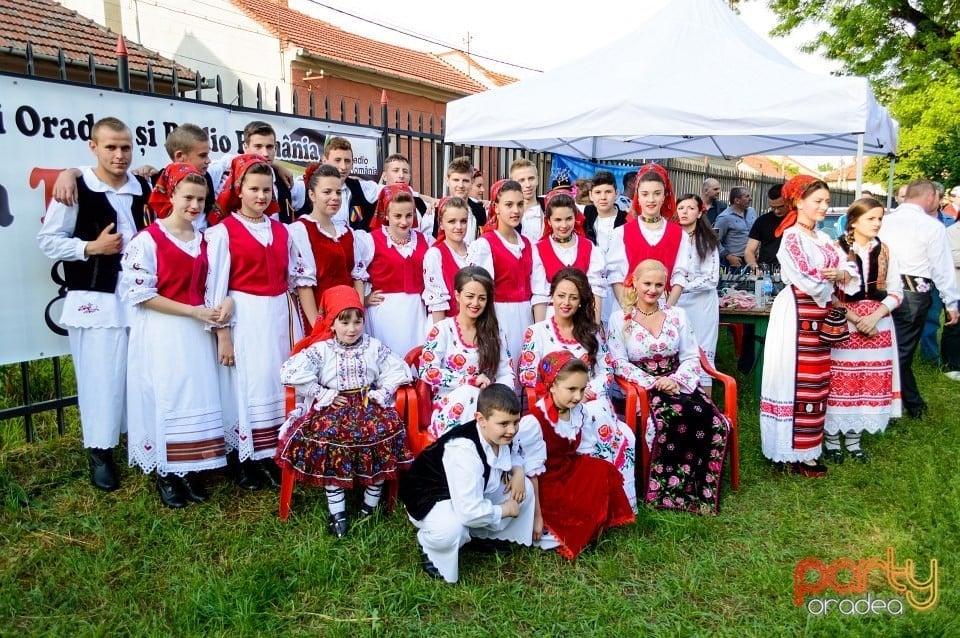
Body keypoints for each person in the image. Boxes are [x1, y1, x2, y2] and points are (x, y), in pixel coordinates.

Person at [37, 117, 151, 492]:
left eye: (125, 147)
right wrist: (90, 247)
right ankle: (100, 452)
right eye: (110, 147)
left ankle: (138, 441)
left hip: (138, 297)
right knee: (100, 376)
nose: (119, 155)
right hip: (95, 297)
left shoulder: (143, 186)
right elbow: (48, 241)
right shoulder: (77, 186)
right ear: (93, 147)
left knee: (137, 373)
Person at [121, 163, 230, 507]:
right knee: (168, 393)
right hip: (164, 329)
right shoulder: (148, 240)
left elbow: (215, 284)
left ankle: (192, 467)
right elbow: (142, 294)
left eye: (200, 199)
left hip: (196, 330)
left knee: (196, 393)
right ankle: (168, 472)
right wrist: (192, 311)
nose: (195, 206)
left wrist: (222, 303)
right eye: (188, 198)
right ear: (171, 196)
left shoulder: (205, 241)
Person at [206, 154, 309, 490]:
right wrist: (223, 336)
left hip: (278, 314)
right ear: (239, 190)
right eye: (253, 189)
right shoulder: (223, 233)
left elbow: (293, 279)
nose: (261, 196)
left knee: (274, 382)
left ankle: (270, 454)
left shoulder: (281, 231)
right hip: (245, 315)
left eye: (266, 190)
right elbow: (217, 287)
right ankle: (243, 457)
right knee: (246, 385)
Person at [277, 286, 413, 537]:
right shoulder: (322, 350)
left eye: (357, 321)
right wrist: (321, 393)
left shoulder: (373, 347)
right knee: (330, 439)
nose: (352, 329)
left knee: (381, 434)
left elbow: (399, 370)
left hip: (366, 405)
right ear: (331, 323)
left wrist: (382, 392)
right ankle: (337, 510)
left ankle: (369, 506)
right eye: (344, 322)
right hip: (334, 408)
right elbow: (290, 372)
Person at [607, 260, 731, 514]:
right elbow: (618, 362)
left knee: (709, 417)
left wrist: (675, 381)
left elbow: (690, 356)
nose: (652, 290)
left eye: (659, 285)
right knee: (665, 420)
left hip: (678, 382)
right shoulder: (620, 318)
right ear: (635, 283)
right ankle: (666, 490)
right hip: (644, 386)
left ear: (666, 287)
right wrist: (654, 382)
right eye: (647, 284)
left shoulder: (677, 315)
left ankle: (697, 487)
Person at [759, 176, 860, 477]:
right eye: (817, 201)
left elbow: (848, 269)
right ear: (799, 201)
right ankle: (789, 451)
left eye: (826, 202)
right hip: (798, 311)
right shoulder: (791, 237)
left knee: (816, 380)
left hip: (820, 311)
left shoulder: (824, 238)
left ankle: (809, 449)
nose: (823, 206)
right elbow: (806, 277)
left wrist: (839, 272)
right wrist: (830, 276)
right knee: (794, 378)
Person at [519, 268, 637, 508]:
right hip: (556, 406)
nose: (566, 302)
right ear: (552, 296)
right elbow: (528, 375)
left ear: (582, 300)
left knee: (620, 430)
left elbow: (606, 370)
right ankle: (595, 498)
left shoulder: (591, 332)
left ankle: (614, 499)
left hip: (593, 400)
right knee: (596, 415)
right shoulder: (537, 332)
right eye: (561, 295)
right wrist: (567, 394)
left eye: (573, 297)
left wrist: (587, 390)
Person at [398, 383, 535, 584]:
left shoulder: (499, 433)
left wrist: (519, 471)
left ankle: (480, 535)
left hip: (466, 492)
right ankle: (430, 545)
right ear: (481, 419)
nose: (512, 430)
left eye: (516, 422)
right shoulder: (464, 450)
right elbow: (469, 511)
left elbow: (512, 453)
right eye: (504, 424)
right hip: (430, 498)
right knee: (451, 529)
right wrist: (504, 510)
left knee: (525, 489)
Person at [517, 352, 635, 559]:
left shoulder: (578, 411)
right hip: (546, 480)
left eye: (581, 389)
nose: (578, 396)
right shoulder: (535, 421)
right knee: (573, 496)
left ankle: (592, 519)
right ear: (552, 386)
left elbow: (585, 450)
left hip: (568, 468)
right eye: (571, 389)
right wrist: (536, 517)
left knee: (602, 470)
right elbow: (531, 471)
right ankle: (558, 526)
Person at [824, 198, 903, 463]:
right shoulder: (835, 250)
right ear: (854, 221)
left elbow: (896, 291)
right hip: (846, 322)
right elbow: (828, 294)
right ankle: (832, 439)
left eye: (880, 218)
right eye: (871, 218)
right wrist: (857, 318)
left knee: (866, 381)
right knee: (840, 381)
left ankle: (855, 439)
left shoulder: (887, 251)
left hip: (878, 325)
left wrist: (877, 315)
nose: (877, 223)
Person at [878, 179, 960, 418]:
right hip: (913, 292)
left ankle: (913, 404)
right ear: (930, 197)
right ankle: (893, 406)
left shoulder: (884, 221)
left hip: (882, 289)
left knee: (892, 348)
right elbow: (942, 268)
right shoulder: (931, 226)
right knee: (901, 352)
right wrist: (951, 303)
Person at [51, 123, 217, 230]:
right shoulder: (151, 183)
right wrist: (70, 173)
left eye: (126, 148)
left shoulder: (208, 177)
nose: (120, 155)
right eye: (203, 155)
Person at [419, 267, 515, 438]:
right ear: (457, 295)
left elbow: (505, 371)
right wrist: (468, 381)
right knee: (469, 393)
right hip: (450, 405)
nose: (475, 303)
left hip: (488, 404)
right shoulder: (442, 330)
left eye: (482, 298)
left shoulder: (495, 331)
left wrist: (500, 397)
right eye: (470, 296)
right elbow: (427, 371)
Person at [468, 179, 535, 376]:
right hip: (499, 317)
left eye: (520, 204)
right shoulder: (485, 245)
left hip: (526, 316)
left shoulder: (527, 244)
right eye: (509, 205)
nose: (516, 210)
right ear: (496, 207)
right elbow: (479, 292)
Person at [355, 183, 429, 359]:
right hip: (385, 312)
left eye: (408, 215)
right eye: (397, 216)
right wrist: (362, 301)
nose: (404, 221)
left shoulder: (424, 239)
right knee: (390, 358)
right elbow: (358, 274)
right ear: (386, 214)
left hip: (416, 311)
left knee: (414, 357)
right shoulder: (371, 240)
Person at [290, 164, 363, 331]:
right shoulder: (301, 230)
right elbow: (304, 286)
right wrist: (318, 326)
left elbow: (357, 277)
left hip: (348, 318)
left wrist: (358, 314)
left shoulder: (347, 231)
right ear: (312, 194)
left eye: (338, 192)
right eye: (327, 192)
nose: (335, 197)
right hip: (319, 313)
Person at [607, 164, 690, 309]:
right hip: (628, 304)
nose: (651, 200)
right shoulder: (621, 233)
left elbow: (680, 277)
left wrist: (666, 311)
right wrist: (628, 310)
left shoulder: (679, 235)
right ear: (637, 196)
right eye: (645, 194)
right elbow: (616, 276)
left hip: (664, 305)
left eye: (657, 193)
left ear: (664, 196)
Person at [208, 120, 303, 224]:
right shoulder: (227, 174)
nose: (265, 153)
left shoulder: (283, 179)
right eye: (258, 146)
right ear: (245, 147)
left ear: (275, 147)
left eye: (269, 147)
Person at [531, 192, 606, 322]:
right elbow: (540, 297)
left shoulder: (588, 247)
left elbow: (596, 291)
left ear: (575, 218)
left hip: (583, 319)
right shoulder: (539, 250)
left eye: (568, 219)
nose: (564, 225)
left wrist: (595, 327)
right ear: (549, 221)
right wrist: (540, 333)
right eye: (558, 220)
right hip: (552, 320)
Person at [673, 193, 720, 386]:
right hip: (676, 302)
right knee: (677, 349)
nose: (685, 212)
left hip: (702, 305)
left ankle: (706, 403)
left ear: (700, 213)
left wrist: (682, 286)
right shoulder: (671, 237)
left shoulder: (707, 241)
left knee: (702, 350)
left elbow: (711, 278)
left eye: (691, 208)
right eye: (681, 207)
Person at [584, 170, 629, 322]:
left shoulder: (626, 220)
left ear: (616, 193)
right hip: (593, 287)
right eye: (598, 192)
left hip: (619, 286)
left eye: (608, 192)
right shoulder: (585, 217)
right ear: (591, 195)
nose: (603, 197)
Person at [423, 197, 473, 323]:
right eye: (452, 221)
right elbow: (437, 302)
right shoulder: (435, 254)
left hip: (473, 324)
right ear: (441, 224)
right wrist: (442, 336)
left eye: (463, 221)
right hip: (446, 323)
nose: (459, 226)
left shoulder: (474, 251)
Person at [321, 136, 379, 231]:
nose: (343, 167)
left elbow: (398, 190)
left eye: (347, 161)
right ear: (324, 160)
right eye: (337, 160)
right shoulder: (306, 187)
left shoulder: (361, 187)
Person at [428, 156, 486, 242]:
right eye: (456, 180)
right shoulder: (434, 210)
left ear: (472, 182)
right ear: (447, 181)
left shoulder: (480, 209)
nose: (460, 185)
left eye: (465, 181)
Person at [745, 183, 788, 270]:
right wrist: (755, 268)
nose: (776, 211)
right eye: (773, 207)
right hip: (766, 270)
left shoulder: (800, 220)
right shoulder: (762, 221)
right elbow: (749, 251)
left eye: (780, 207)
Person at [714, 187, 758, 268]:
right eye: (747, 196)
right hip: (736, 261)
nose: (750, 199)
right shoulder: (724, 218)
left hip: (753, 259)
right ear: (737, 200)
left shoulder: (751, 212)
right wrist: (728, 256)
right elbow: (714, 240)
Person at [509, 158, 546, 242]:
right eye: (521, 180)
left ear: (538, 180)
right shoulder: (505, 211)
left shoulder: (549, 207)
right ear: (512, 183)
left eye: (531, 178)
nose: (528, 185)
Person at [943, 221, 960, 380]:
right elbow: (953, 258)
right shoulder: (952, 231)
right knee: (954, 327)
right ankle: (951, 366)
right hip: (957, 289)